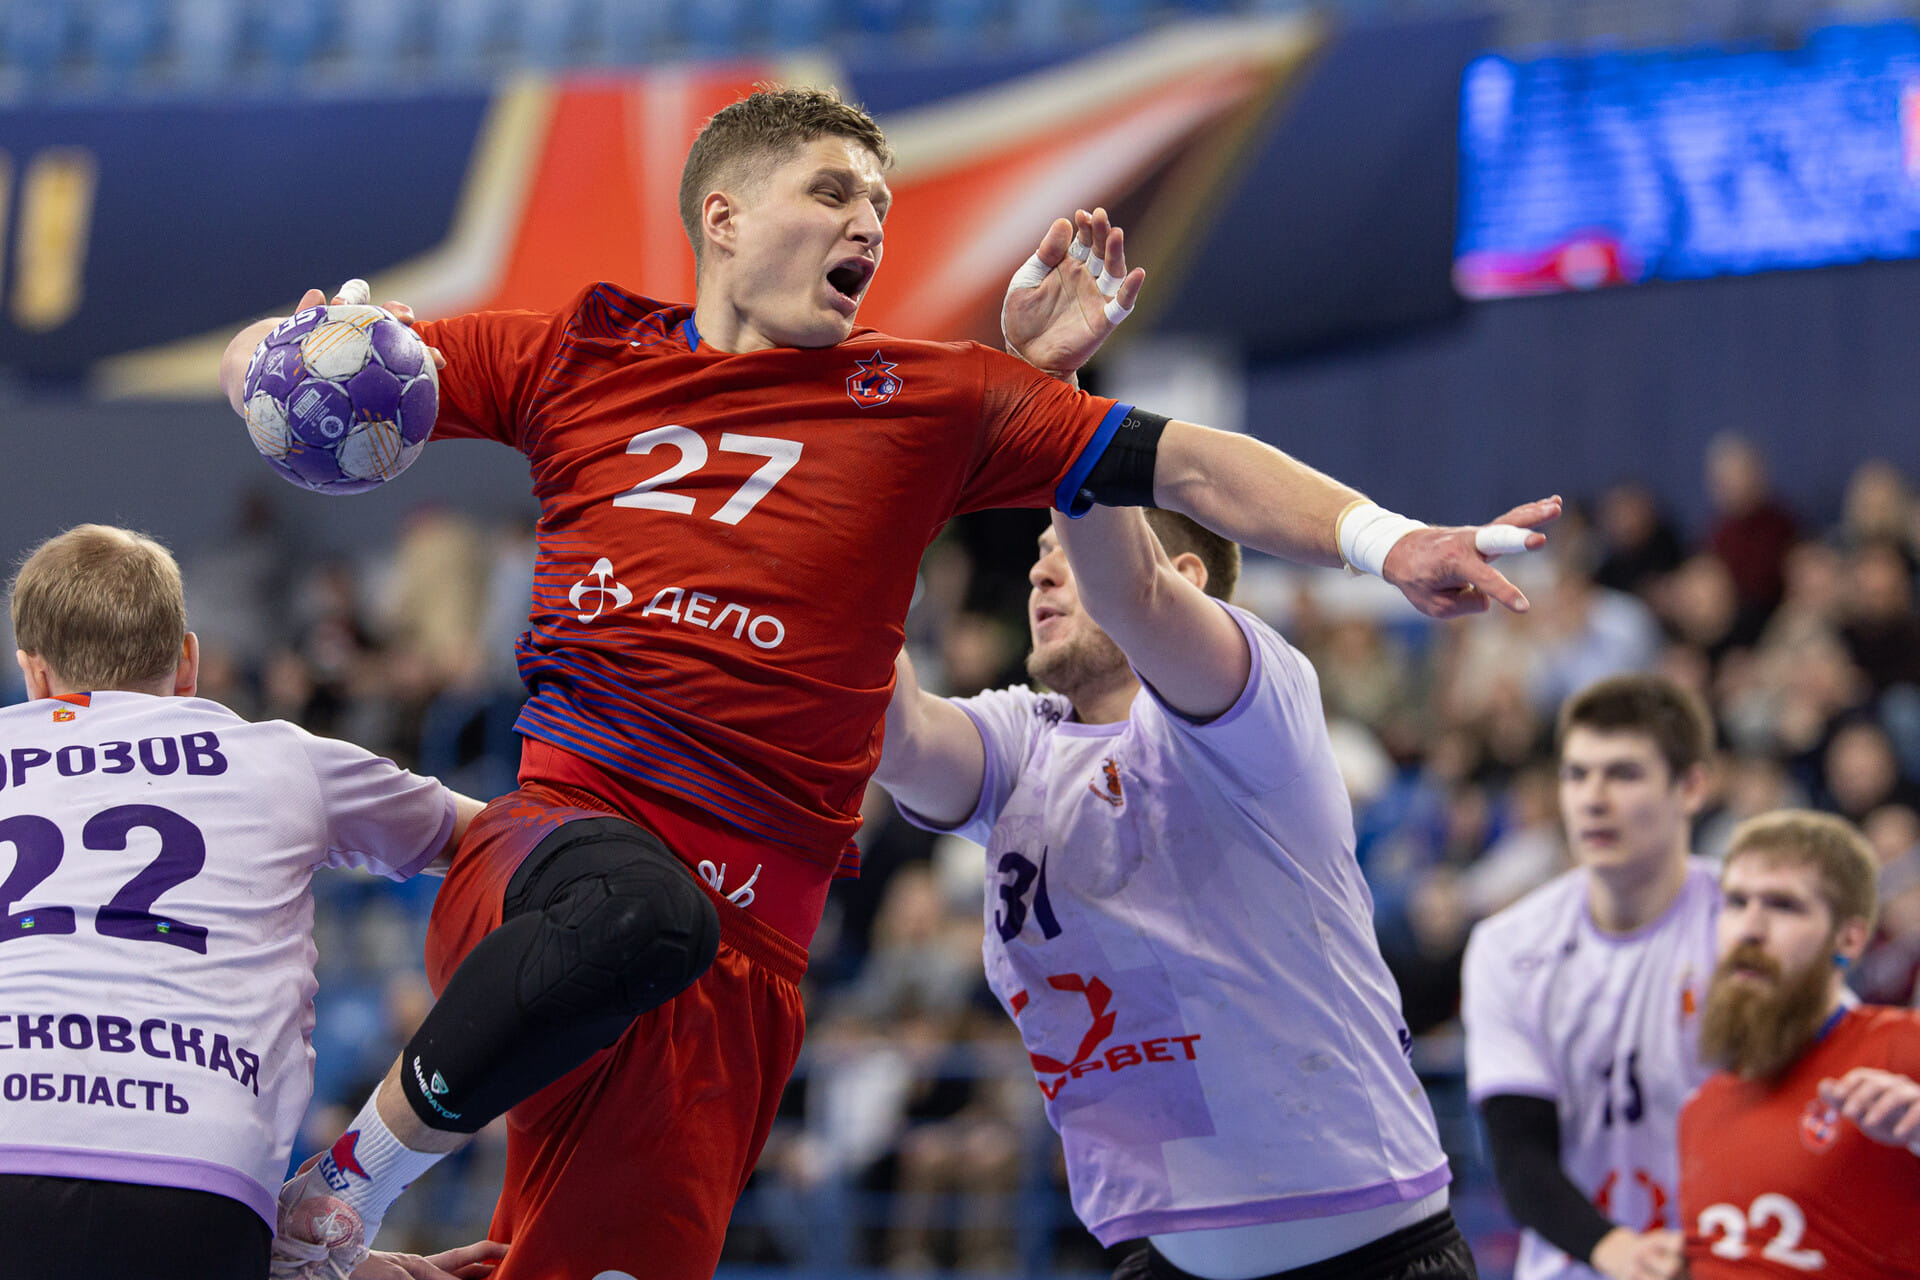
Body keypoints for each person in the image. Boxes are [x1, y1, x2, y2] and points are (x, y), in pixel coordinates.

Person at [218, 87, 1551, 1280]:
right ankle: (344, 1185)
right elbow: (282, 361)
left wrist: (1387, 540)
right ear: (724, 216)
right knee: (634, 907)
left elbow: (1190, 464)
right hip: (565, 846)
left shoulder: (929, 402)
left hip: (743, 962)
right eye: (834, 191)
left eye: (882, 205)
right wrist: (275, 364)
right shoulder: (579, 353)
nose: (869, 221)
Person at [876, 501, 1549, 1279]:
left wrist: (1063, 438)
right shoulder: (1024, 739)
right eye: (1039, 550)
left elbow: (1137, 595)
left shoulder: (1254, 703)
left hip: (1370, 1249)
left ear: (1186, 577)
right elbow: (897, 735)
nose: (1041, 571)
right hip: (1162, 1254)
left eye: (1069, 551)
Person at [0, 524, 501, 1280]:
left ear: (33, 675)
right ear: (189, 663)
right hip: (201, 1182)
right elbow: (507, 845)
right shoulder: (283, 758)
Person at [1461, 674, 1721, 1280]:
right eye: (1576, 775)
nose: (1593, 799)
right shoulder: (1508, 946)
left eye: (1623, 774)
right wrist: (1617, 1251)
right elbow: (1521, 1157)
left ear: (1691, 787)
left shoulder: (1746, 925)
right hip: (1578, 1264)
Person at [1677, 809, 1920, 1279]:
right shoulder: (1699, 1111)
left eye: (1783, 905)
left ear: (1848, 939)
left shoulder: (1899, 1050)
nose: (1749, 929)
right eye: (1736, 902)